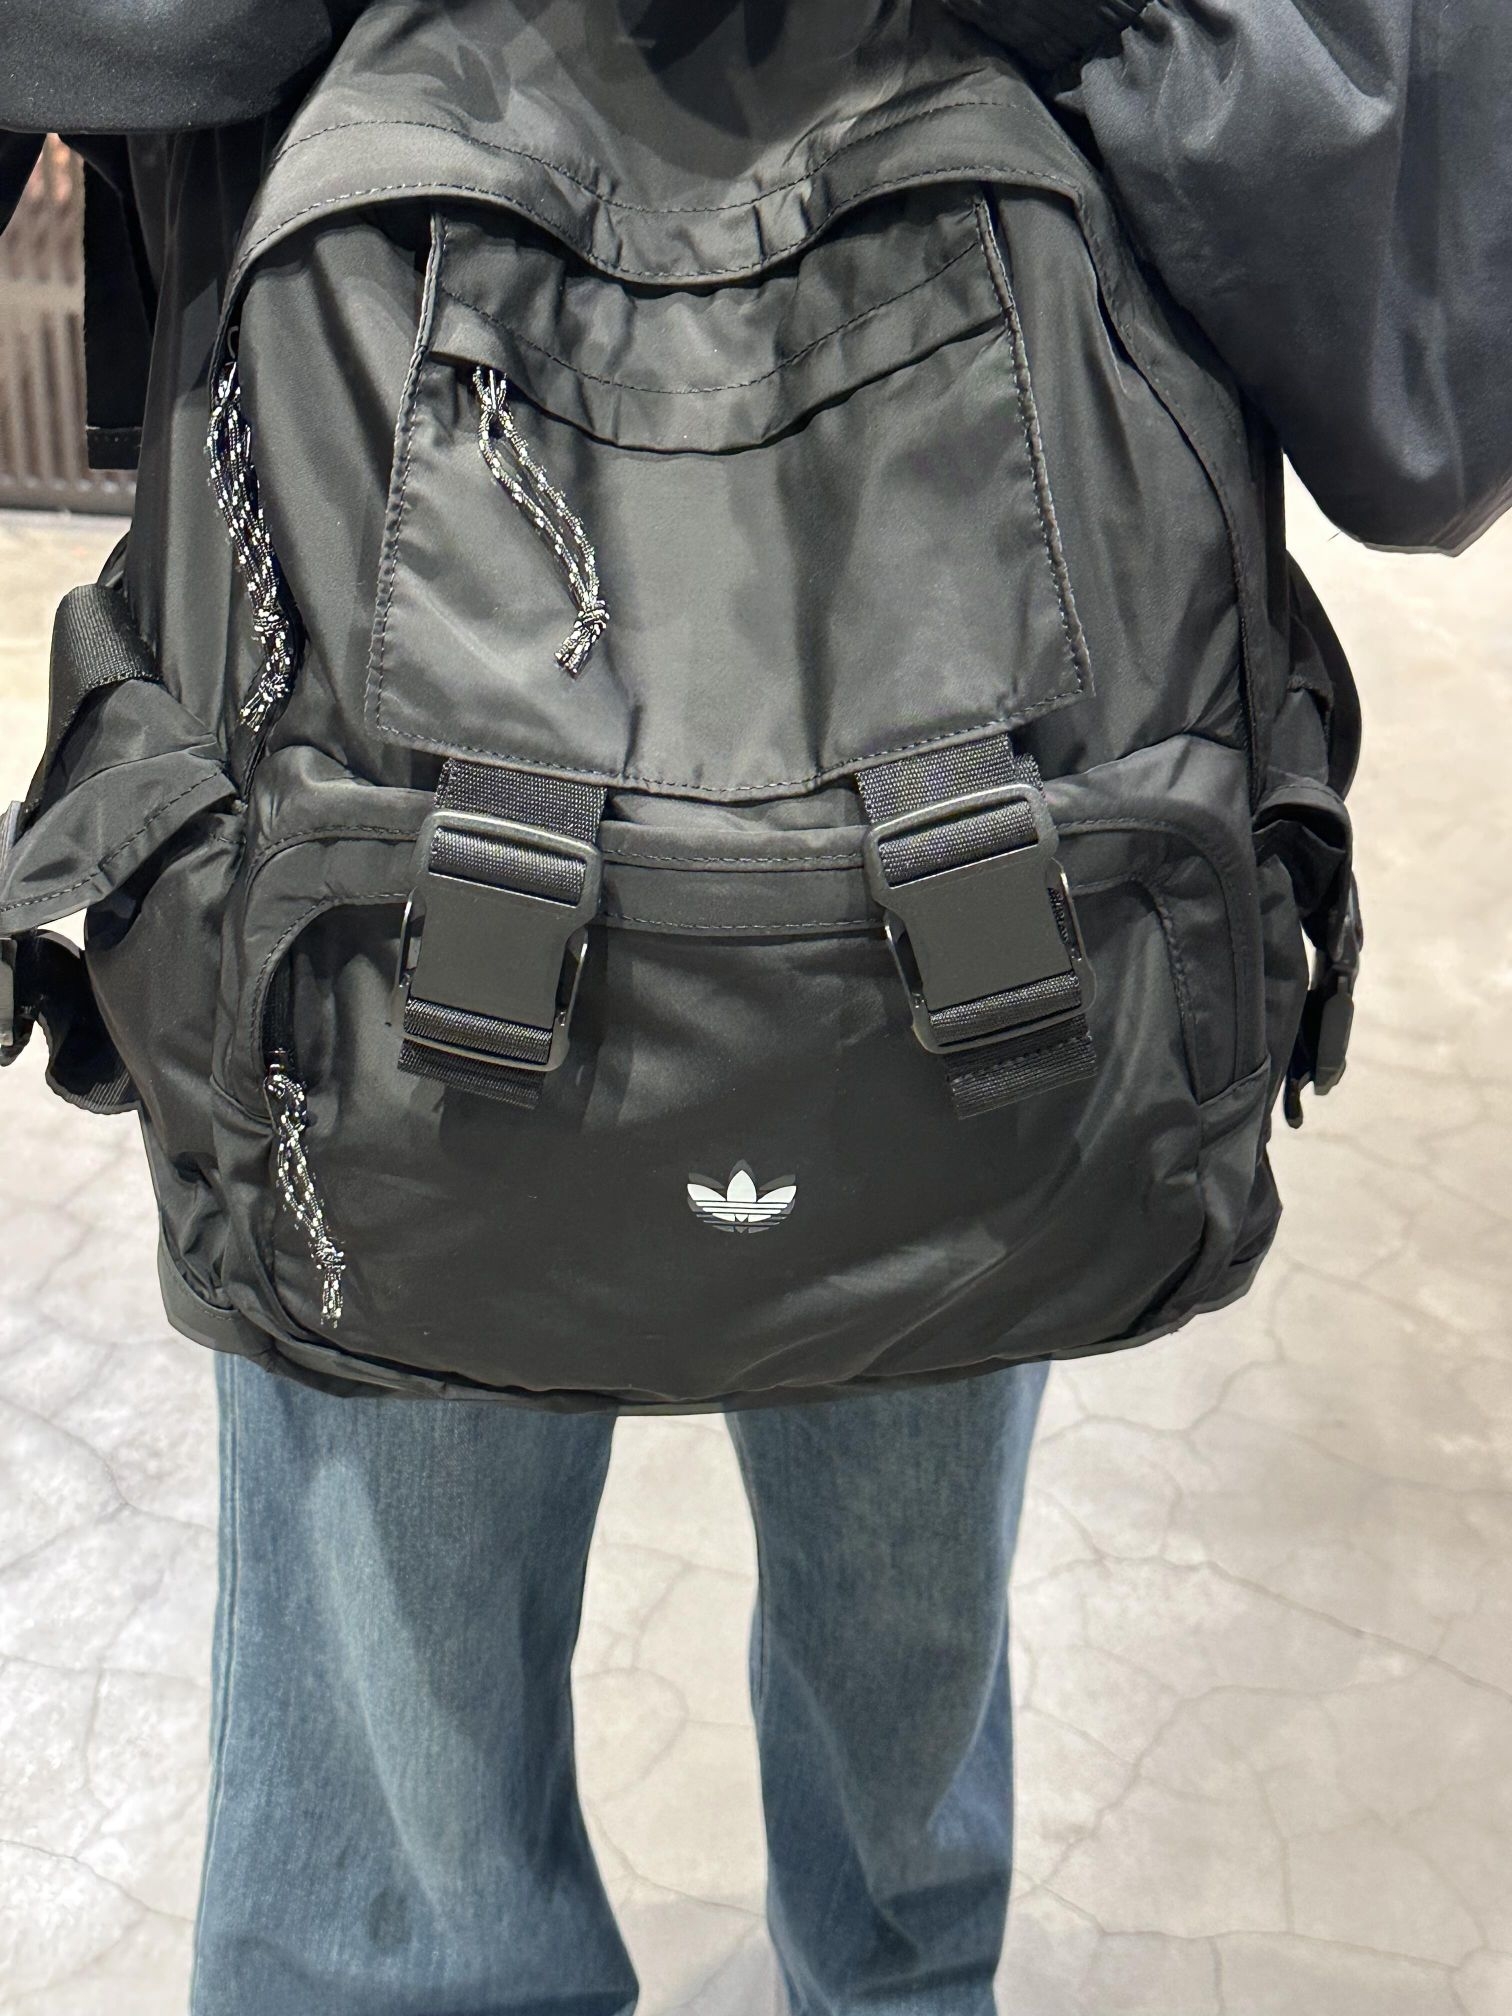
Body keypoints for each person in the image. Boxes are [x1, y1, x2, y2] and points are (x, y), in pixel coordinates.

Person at [3, 5, 1509, 2012]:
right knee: (907, 1510)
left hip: (402, 579)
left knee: (408, 1829)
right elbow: (1409, 269)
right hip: (962, 661)